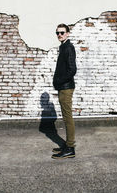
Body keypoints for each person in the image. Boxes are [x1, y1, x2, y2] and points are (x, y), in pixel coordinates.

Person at [51, 23, 77, 159]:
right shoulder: (63, 47)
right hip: (63, 87)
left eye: (62, 32)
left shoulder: (69, 47)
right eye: (57, 33)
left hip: (66, 88)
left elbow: (73, 69)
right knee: (66, 117)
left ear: (67, 33)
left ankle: (70, 148)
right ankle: (67, 145)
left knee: (68, 118)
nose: (59, 35)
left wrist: (59, 80)